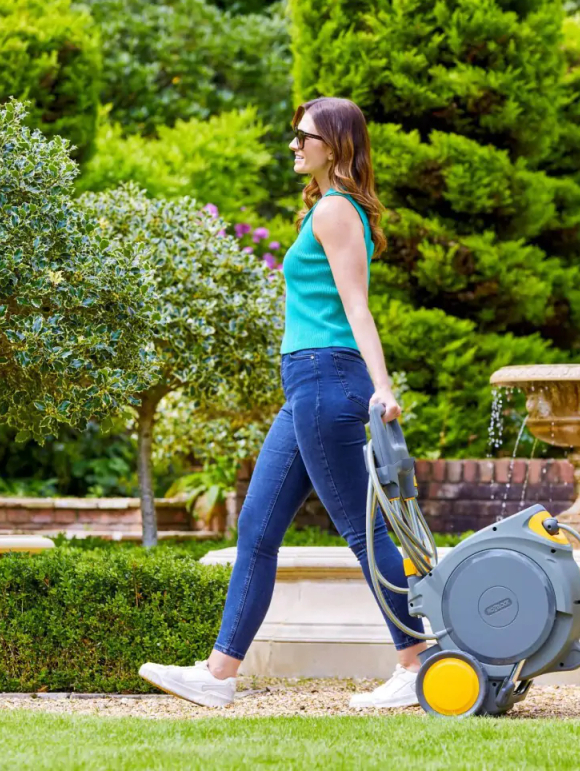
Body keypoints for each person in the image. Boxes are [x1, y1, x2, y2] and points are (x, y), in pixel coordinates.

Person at [139, 97, 426, 709]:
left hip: (328, 378)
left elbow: (356, 307)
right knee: (258, 527)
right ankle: (219, 676)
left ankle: (416, 662)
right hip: (307, 385)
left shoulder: (335, 212)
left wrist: (383, 385)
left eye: (305, 137)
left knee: (363, 531)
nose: (294, 146)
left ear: (336, 146)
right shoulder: (323, 211)